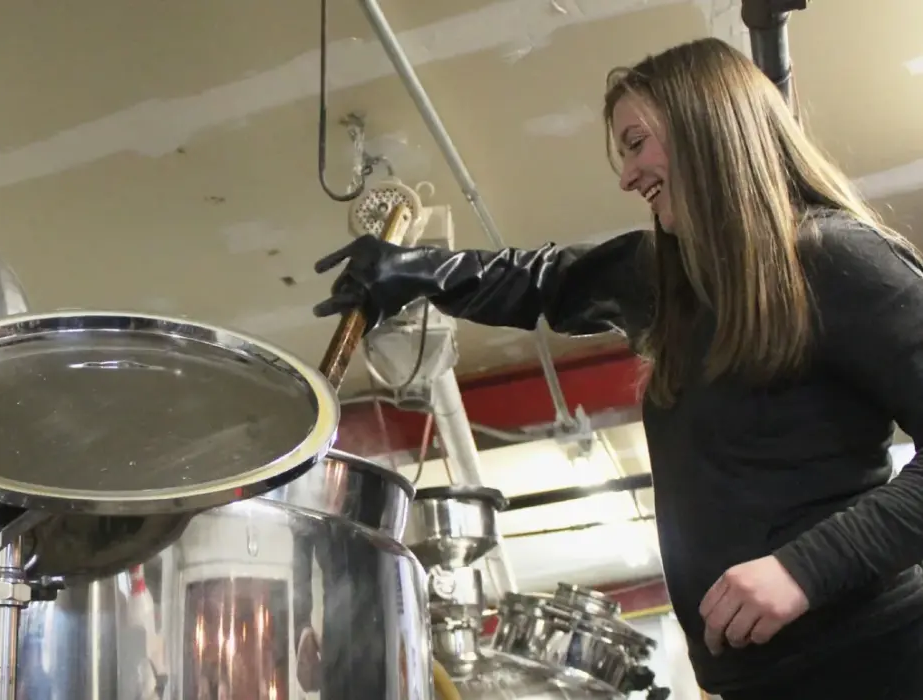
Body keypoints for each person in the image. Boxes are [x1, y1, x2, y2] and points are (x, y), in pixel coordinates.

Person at [312, 36, 923, 699]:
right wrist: (416, 273)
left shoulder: (836, 259)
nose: (626, 176)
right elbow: (546, 280)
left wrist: (805, 569)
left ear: (705, 126)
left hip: (879, 658)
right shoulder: (676, 278)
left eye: (635, 143)